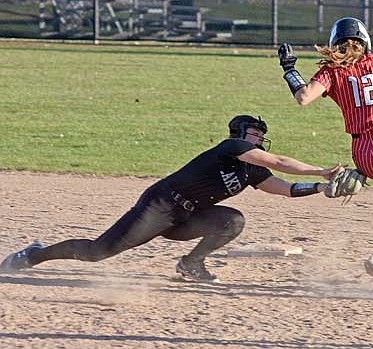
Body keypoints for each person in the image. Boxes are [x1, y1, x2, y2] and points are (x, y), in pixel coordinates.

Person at [0, 115, 342, 282]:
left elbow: (284, 187)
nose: (259, 139)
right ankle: (34, 255)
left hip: (188, 218)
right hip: (162, 205)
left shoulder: (251, 170)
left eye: (262, 136)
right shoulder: (232, 148)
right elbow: (279, 162)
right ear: (240, 135)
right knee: (97, 252)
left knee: (232, 220)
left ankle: (191, 264)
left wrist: (320, 189)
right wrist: (320, 171)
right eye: (255, 134)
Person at [277, 17, 373, 289]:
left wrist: (290, 69)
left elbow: (303, 97)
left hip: (361, 152)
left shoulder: (331, 71)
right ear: (366, 41)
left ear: (335, 42)